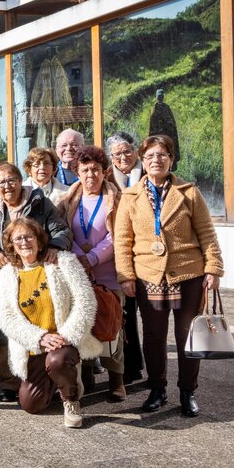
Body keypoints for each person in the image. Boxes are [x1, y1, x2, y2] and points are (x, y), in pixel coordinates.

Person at [115, 135, 224, 417]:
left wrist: (213, 268)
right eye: (150, 155)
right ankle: (157, 389)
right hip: (148, 275)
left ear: (171, 159)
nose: (156, 160)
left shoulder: (189, 193)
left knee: (188, 335)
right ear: (143, 160)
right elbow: (122, 240)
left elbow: (207, 234)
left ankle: (188, 392)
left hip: (188, 273)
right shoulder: (130, 197)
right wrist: (126, 276)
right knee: (153, 336)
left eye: (162, 155)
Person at [0, 162, 70, 402]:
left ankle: (47, 378)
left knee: (41, 322)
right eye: (1, 182)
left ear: (20, 180)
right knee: (4, 329)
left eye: (11, 180)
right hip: (4, 276)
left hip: (37, 272)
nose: (7, 186)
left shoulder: (39, 202)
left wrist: (55, 247)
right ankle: (8, 383)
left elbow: (61, 230)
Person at [0, 218, 101, 428]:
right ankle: (57, 382)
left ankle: (71, 399)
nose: (24, 242)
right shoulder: (7, 274)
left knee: (57, 362)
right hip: (34, 347)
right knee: (31, 404)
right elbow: (6, 317)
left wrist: (66, 336)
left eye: (29, 236)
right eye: (18, 239)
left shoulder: (63, 262)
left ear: (40, 241)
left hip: (63, 342)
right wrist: (39, 338)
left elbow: (86, 301)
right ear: (12, 247)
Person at [57, 146, 127, 402]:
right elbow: (64, 230)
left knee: (111, 328)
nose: (90, 175)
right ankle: (86, 376)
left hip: (108, 273)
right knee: (82, 326)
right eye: (85, 170)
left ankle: (116, 380)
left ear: (104, 171)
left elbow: (117, 235)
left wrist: (93, 257)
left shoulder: (116, 199)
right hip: (78, 274)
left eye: (96, 170)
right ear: (77, 171)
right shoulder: (67, 200)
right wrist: (78, 255)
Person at [105, 130, 144, 382]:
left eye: (127, 151)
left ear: (136, 150)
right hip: (119, 253)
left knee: (151, 316)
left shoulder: (150, 173)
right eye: (117, 153)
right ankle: (129, 368)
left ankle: (152, 368)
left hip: (148, 253)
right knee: (124, 312)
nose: (123, 157)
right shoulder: (106, 178)